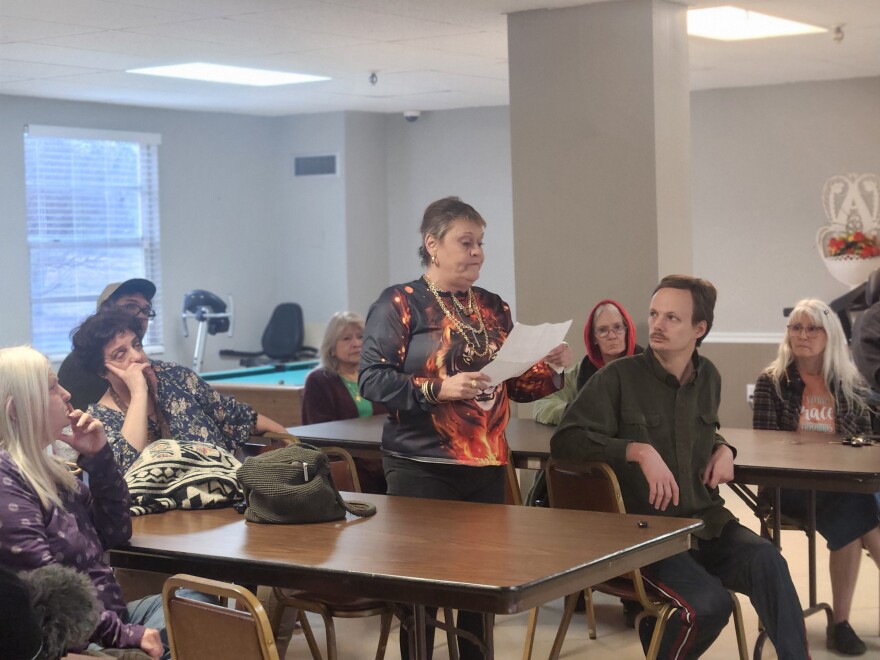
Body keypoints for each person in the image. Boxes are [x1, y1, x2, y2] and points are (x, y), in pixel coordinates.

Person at [552, 275, 809, 659]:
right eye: (654, 314)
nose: (656, 324)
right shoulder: (617, 378)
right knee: (710, 605)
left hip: (705, 523)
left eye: (672, 317)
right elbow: (565, 441)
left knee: (768, 560)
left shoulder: (710, 378)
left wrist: (725, 449)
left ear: (699, 329)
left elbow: (699, 431)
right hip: (645, 533)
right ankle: (661, 638)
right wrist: (636, 450)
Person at [359, 196, 572, 659]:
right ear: (432, 245)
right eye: (466, 242)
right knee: (425, 590)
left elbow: (518, 385)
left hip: (487, 463)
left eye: (481, 243)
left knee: (481, 590)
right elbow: (372, 380)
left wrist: (551, 367)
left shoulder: (493, 307)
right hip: (421, 464)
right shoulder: (400, 302)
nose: (477, 252)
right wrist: (439, 389)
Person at [0, 345, 173, 658]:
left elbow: (116, 531)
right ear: (16, 410)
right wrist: (128, 635)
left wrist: (100, 457)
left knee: (192, 604)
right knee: (184, 639)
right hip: (75, 638)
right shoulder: (5, 478)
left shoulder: (47, 469)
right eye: (52, 387)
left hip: (108, 619)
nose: (66, 394)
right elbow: (48, 590)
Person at [753, 298, 880, 655]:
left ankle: (841, 623)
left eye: (812, 328)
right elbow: (763, 447)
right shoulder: (772, 382)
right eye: (796, 327)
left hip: (838, 485)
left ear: (831, 335)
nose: (802, 335)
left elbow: (862, 443)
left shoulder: (848, 385)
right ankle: (840, 625)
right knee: (862, 515)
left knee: (855, 514)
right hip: (787, 488)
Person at [69, 307, 286, 473]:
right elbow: (127, 469)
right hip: (161, 523)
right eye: (120, 354)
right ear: (102, 372)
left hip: (225, 499)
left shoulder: (175, 377)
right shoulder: (99, 419)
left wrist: (290, 439)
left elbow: (238, 416)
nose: (136, 356)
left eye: (136, 345)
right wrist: (139, 394)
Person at [301, 311, 389, 493]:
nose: (356, 343)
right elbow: (318, 432)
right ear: (331, 347)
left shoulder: (377, 375)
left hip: (382, 456)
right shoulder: (319, 380)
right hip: (345, 460)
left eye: (361, 337)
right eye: (346, 339)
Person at [534, 299, 643, 425]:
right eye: (603, 330)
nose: (612, 336)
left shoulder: (646, 368)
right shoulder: (580, 373)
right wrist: (578, 412)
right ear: (594, 338)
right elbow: (542, 404)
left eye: (617, 327)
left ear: (627, 330)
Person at [58, 278, 157, 410]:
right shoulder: (76, 365)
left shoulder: (158, 368)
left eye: (146, 310)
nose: (141, 316)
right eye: (131, 306)